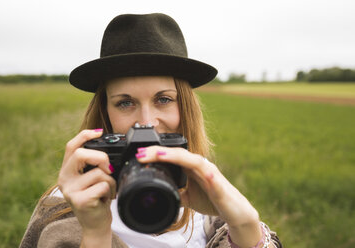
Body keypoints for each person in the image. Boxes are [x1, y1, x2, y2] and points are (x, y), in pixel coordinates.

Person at [20, 13, 282, 248]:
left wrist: (245, 225)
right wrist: (94, 230)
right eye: (125, 103)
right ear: (105, 113)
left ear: (185, 107)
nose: (147, 121)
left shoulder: (203, 193)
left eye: (163, 99)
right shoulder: (71, 202)